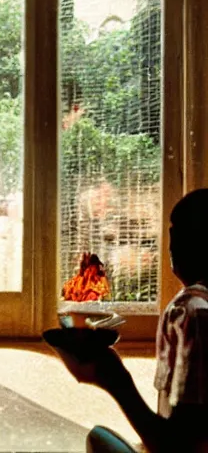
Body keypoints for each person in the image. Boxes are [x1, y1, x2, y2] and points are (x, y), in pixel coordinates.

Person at [57, 188, 208, 452]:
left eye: (178, 232)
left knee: (99, 440)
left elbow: (176, 446)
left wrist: (114, 378)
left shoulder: (192, 313)